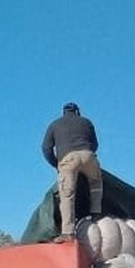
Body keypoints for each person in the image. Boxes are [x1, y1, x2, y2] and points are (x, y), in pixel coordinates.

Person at [41, 102, 103, 241]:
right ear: (77, 112)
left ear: (64, 112)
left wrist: (56, 163)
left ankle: (68, 233)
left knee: (67, 195)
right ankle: (96, 213)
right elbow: (95, 144)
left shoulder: (54, 124)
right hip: (88, 156)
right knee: (96, 183)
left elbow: (46, 148)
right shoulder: (86, 122)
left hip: (68, 159)